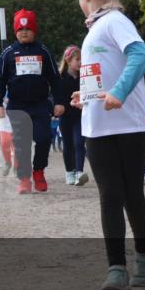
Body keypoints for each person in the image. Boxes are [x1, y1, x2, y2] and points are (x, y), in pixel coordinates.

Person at [72, 0, 145, 290]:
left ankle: (144, 260)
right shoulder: (95, 28)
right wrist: (87, 94)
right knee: (110, 195)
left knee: (132, 194)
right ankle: (116, 269)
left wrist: (119, 92)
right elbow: (108, 69)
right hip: (98, 126)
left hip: (131, 125)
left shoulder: (115, 20)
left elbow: (141, 56)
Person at [0, 9, 65, 193]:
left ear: (35, 30)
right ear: (15, 31)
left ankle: (38, 170)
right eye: (20, 29)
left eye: (28, 28)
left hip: (40, 104)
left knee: (44, 138)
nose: (24, 32)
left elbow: (55, 78)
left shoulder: (43, 51)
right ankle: (24, 178)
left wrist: (59, 101)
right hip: (17, 106)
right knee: (22, 143)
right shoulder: (8, 53)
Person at [58, 45, 89, 186]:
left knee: (79, 143)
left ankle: (79, 172)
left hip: (80, 115)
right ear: (68, 60)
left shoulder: (85, 77)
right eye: (77, 59)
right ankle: (69, 172)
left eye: (82, 59)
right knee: (68, 144)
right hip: (65, 116)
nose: (80, 62)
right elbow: (55, 95)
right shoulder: (60, 77)